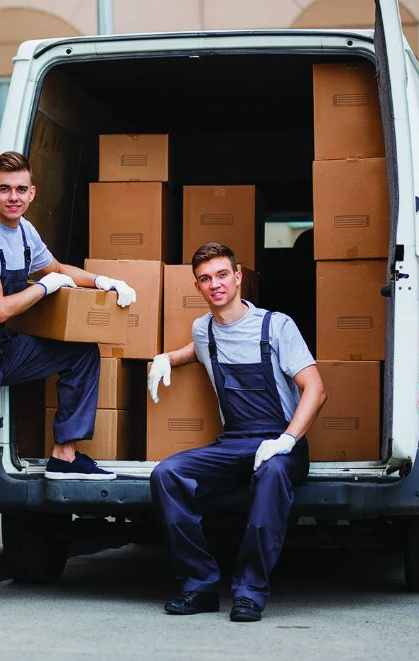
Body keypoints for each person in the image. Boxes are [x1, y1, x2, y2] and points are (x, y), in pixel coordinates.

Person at [0, 151, 137, 610]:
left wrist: (103, 282)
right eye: (4, 188)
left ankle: (64, 454)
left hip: (3, 347)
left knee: (81, 350)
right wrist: (45, 289)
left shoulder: (25, 232)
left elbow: (58, 270)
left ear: (32, 192)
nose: (13, 196)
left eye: (21, 188)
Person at [147, 242, 326, 622]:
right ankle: (199, 585)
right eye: (205, 278)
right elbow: (196, 349)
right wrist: (167, 358)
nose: (215, 284)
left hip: (280, 440)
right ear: (197, 287)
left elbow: (315, 388)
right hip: (234, 442)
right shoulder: (203, 329)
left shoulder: (275, 325)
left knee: (273, 475)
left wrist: (287, 441)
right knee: (167, 474)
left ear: (239, 276)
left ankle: (250, 590)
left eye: (222, 274)